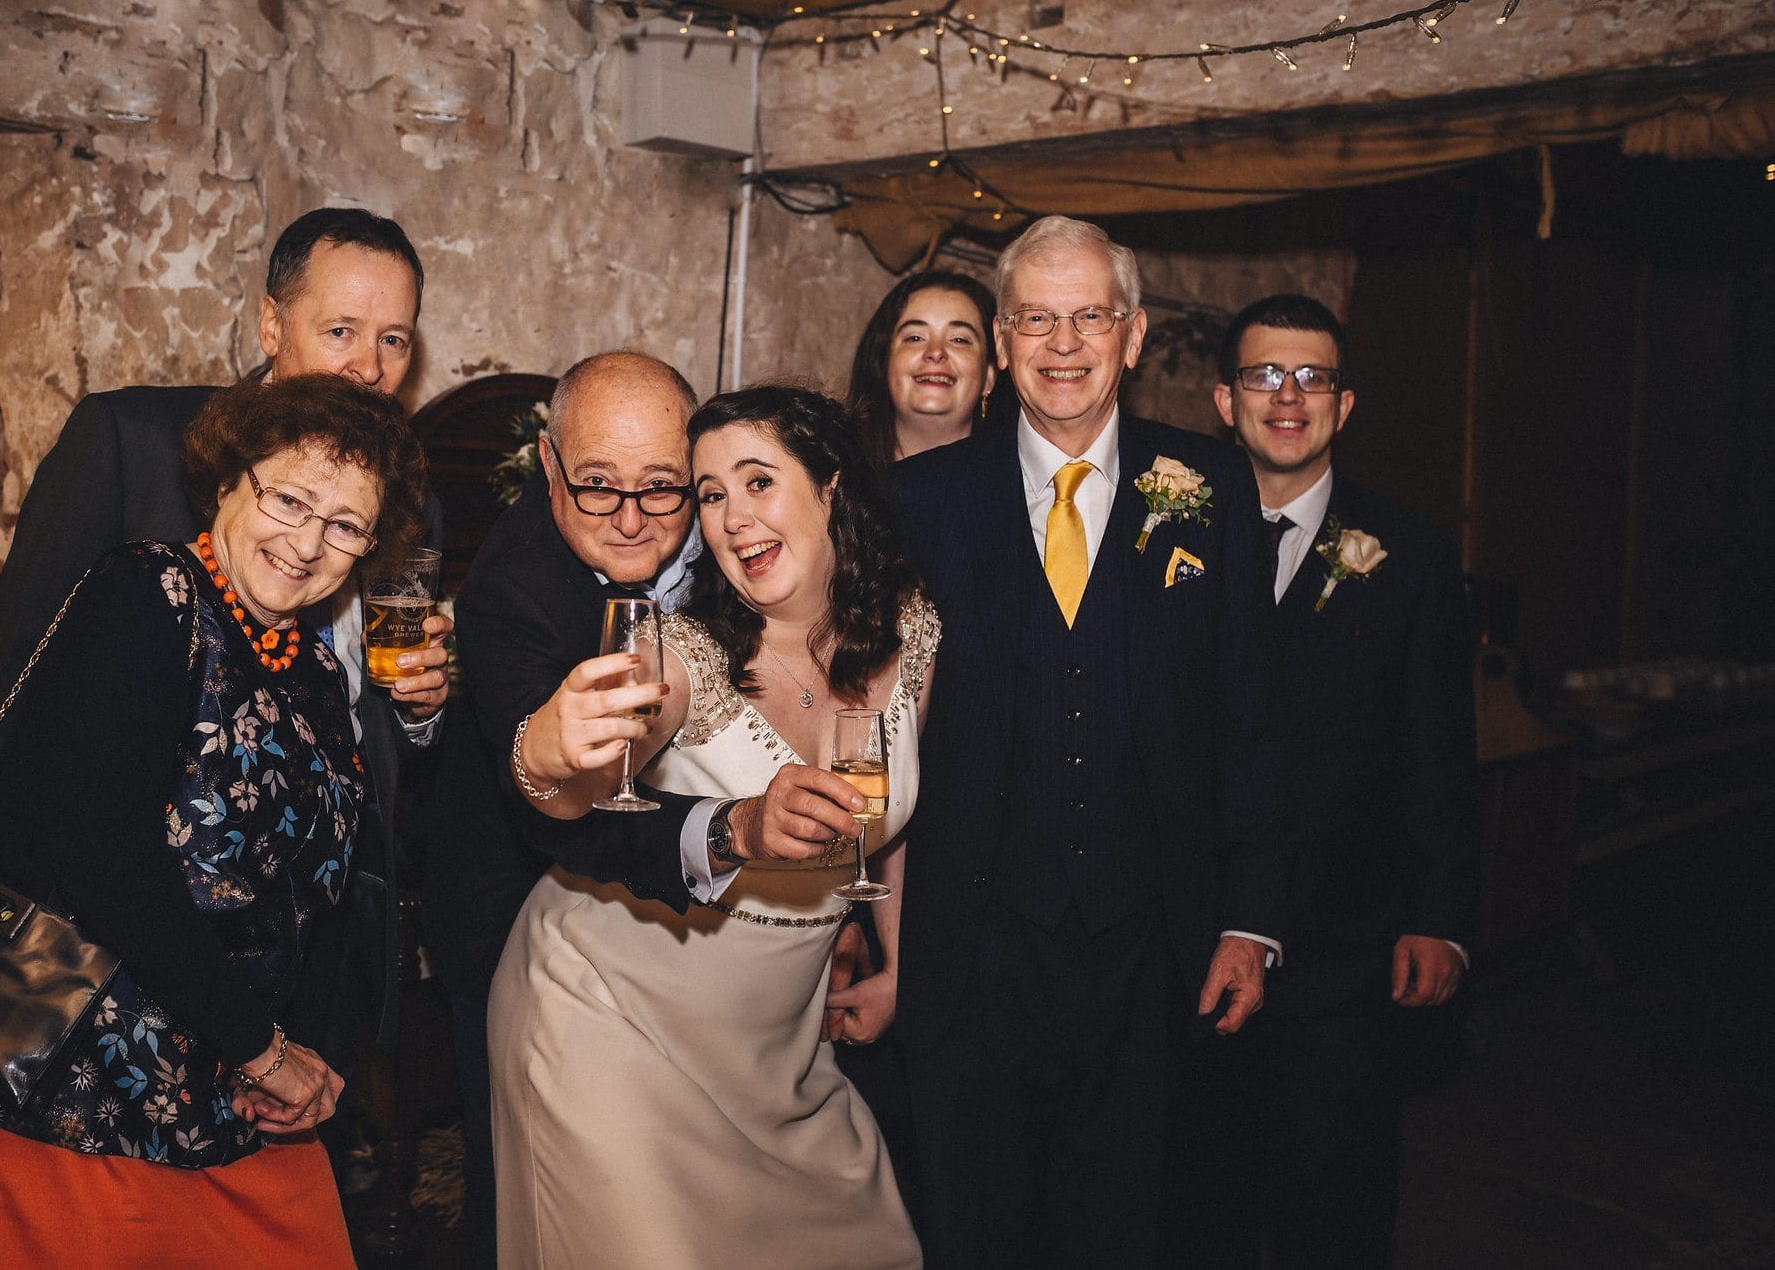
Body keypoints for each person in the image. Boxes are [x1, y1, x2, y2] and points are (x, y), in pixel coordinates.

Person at [0, 375, 429, 1267]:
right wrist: (262, 1048)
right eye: (290, 498)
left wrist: (303, 1054)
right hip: (80, 1096)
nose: (308, 543)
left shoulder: (306, 661)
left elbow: (327, 886)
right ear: (229, 481)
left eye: (346, 525)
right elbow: (104, 857)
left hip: (241, 1104)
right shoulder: (142, 599)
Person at [0, 207, 450, 1078]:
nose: (370, 367)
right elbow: (15, 681)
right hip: (104, 970)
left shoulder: (409, 499)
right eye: (341, 330)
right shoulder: (133, 444)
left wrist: (421, 709)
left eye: (395, 340)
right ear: (270, 324)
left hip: (307, 956)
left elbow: (371, 730)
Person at [888, 215, 1285, 1266]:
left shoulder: (1208, 485)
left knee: (1130, 1222)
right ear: (1004, 341)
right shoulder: (919, 501)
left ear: (1133, 333)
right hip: (971, 941)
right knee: (974, 1222)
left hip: (1152, 941)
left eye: (1088, 317)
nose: (1062, 344)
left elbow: (1249, 720)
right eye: (1035, 319)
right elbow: (865, 714)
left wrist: (1248, 917)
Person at [419, 354, 867, 1269]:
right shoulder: (510, 593)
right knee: (526, 1191)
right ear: (550, 466)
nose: (631, 519)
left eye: (662, 490)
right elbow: (559, 814)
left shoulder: (741, 539)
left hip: (737, 963)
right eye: (596, 488)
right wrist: (729, 825)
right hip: (524, 916)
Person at [1171, 293, 1476, 1267]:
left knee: (1330, 1206)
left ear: (1342, 406)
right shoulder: (1159, 541)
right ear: (1225, 399)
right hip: (1190, 933)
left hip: (1344, 945)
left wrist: (1438, 912)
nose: (1287, 395)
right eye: (1265, 374)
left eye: (1312, 376)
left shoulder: (1411, 552)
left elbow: (1436, 745)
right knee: (1197, 1201)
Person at [845, 269, 1009, 469]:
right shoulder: (829, 479)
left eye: (959, 340)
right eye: (915, 338)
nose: (936, 352)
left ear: (989, 377)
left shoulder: (1022, 490)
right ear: (884, 363)